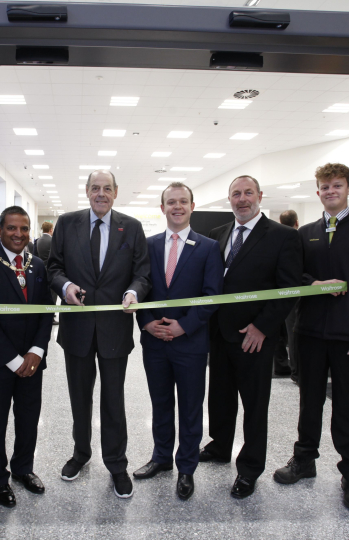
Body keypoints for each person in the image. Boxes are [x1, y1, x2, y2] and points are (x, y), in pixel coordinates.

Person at [273, 163, 349, 514]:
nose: (330, 191)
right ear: (318, 192)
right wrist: (314, 284)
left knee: (348, 407)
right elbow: (292, 276)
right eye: (325, 187)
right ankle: (304, 459)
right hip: (309, 332)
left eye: (337, 185)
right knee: (309, 401)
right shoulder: (305, 233)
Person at [47, 169, 151, 499]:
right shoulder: (67, 223)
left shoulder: (131, 227)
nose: (101, 193)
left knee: (113, 399)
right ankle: (81, 453)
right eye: (95, 188)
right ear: (87, 191)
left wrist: (133, 292)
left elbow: (142, 273)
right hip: (77, 328)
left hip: (114, 329)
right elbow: (53, 267)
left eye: (107, 188)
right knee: (79, 397)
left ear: (116, 192)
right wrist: (65, 286)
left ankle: (116, 464)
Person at [200, 175, 302, 500]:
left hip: (254, 336)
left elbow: (289, 289)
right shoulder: (217, 234)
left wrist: (262, 326)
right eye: (236, 194)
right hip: (219, 333)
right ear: (229, 199)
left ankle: (249, 468)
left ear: (259, 195)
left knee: (255, 405)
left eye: (248, 193)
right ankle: (219, 446)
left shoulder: (283, 236)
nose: (242, 199)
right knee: (220, 397)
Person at [133, 182, 223, 501]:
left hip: (190, 343)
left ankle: (186, 467)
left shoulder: (209, 248)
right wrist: (146, 323)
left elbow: (212, 296)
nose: (177, 207)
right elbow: (140, 287)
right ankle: (161, 458)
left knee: (190, 406)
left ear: (192, 207)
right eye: (171, 202)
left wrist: (184, 326)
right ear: (162, 208)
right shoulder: (149, 245)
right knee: (160, 403)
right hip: (155, 342)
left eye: (183, 201)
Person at [0, 206, 54, 508]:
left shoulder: (37, 265)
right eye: (12, 228)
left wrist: (36, 351)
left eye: (24, 229)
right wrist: (14, 360)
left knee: (28, 418)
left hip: (33, 361)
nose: (18, 234)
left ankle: (23, 468)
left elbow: (46, 311)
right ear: (0, 229)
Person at [275, 209, 300, 382]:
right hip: (293, 297)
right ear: (296, 222)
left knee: (280, 333)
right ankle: (296, 370)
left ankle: (281, 365)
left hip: (277, 296)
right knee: (292, 333)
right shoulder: (299, 239)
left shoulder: (275, 240)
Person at [34, 221, 59, 323]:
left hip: (41, 269)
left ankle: (46, 314)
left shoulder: (38, 240)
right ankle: (51, 316)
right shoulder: (52, 240)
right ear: (51, 229)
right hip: (51, 270)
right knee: (52, 295)